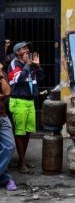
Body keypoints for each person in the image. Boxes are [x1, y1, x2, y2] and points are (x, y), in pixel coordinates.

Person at [7, 42, 44, 174]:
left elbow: (41, 77)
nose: (27, 50)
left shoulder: (29, 64)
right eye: (24, 49)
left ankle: (23, 159)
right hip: (18, 101)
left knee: (27, 131)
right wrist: (28, 65)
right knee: (19, 132)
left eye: (27, 48)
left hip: (29, 101)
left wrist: (37, 66)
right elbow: (19, 79)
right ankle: (22, 162)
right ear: (17, 52)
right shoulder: (14, 65)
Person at [0, 62, 17, 191]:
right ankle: (6, 178)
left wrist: (0, 76)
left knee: (9, 146)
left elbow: (7, 92)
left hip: (2, 116)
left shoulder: (1, 74)